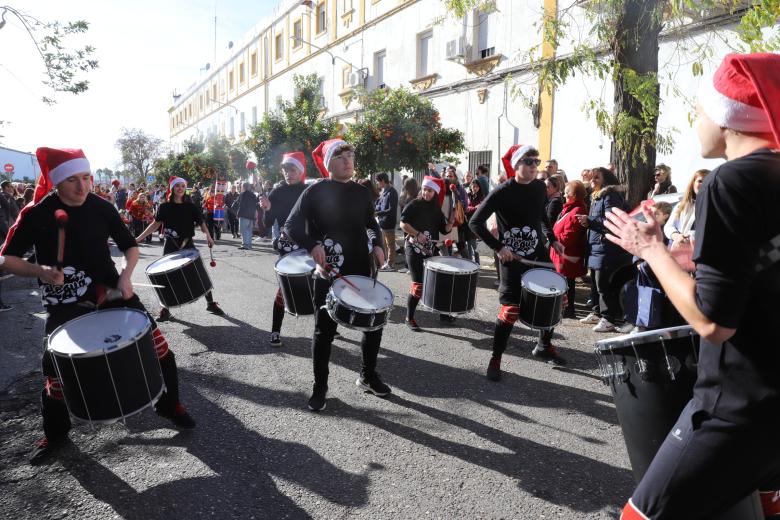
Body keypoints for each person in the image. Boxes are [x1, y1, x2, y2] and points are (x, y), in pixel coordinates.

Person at [607, 53, 780, 520]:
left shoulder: (731, 182)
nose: (697, 121)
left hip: (737, 409)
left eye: (702, 110)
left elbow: (712, 322)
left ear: (728, 119)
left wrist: (652, 250)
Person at [1, 148, 196, 465]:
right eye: (73, 180)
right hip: (65, 303)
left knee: (162, 351)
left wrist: (127, 275)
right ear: (56, 183)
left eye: (86, 178)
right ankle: (56, 434)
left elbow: (130, 246)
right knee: (55, 376)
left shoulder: (102, 208)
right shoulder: (36, 213)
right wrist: (40, 271)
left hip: (113, 293)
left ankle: (170, 404)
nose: (82, 187)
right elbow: (6, 259)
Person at [285, 138, 389, 412]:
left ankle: (368, 375)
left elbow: (371, 224)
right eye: (340, 156)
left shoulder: (362, 192)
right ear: (328, 163)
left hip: (360, 268)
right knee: (324, 331)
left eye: (350, 155)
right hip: (328, 269)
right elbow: (291, 225)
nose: (347, 160)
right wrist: (312, 245)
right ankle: (320, 386)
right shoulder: (315, 191)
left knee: (373, 324)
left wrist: (378, 244)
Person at [470, 144, 568, 381]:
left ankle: (544, 346)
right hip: (511, 257)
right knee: (511, 310)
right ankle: (496, 358)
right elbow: (475, 223)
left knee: (554, 297)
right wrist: (499, 247)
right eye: (529, 161)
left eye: (537, 161)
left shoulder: (538, 188)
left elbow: (541, 215)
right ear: (516, 165)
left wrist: (553, 239)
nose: (535, 166)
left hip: (537, 254)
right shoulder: (502, 191)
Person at [136, 176, 223, 321]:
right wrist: (138, 238)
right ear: (172, 188)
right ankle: (165, 308)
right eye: (177, 186)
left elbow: (201, 222)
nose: (180, 189)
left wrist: (208, 236)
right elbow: (155, 224)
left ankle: (210, 303)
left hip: (188, 244)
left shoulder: (191, 206)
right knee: (165, 277)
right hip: (170, 244)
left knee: (198, 273)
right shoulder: (164, 207)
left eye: (183, 186)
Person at [261, 152, 308, 347]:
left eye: (292, 169)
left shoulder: (309, 191)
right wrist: (266, 209)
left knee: (317, 287)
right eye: (285, 169)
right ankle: (275, 331)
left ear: (301, 170)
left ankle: (328, 327)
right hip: (287, 246)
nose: (288, 173)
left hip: (308, 244)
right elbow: (267, 224)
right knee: (284, 289)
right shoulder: (276, 192)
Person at [576, 167, 632, 332]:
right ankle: (597, 313)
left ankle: (608, 319)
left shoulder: (609, 195)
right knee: (595, 282)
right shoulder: (596, 196)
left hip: (605, 246)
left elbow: (610, 220)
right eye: (592, 178)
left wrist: (590, 220)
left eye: (596, 178)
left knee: (603, 285)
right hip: (595, 246)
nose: (592, 180)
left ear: (605, 180)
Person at [399, 175, 452, 331]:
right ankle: (409, 317)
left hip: (430, 251)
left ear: (435, 192)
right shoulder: (414, 204)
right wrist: (417, 234)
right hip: (414, 250)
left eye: (429, 190)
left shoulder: (437, 209)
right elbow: (403, 224)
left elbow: (444, 230)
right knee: (418, 286)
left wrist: (450, 222)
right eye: (424, 189)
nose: (426, 193)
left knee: (438, 282)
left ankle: (442, 313)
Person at [550, 180, 588, 319]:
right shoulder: (569, 208)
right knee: (563, 282)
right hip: (561, 253)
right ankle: (563, 308)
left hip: (567, 254)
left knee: (567, 284)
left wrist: (553, 237)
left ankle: (568, 310)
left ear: (574, 195)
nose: (564, 195)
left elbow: (569, 236)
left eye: (567, 192)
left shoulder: (578, 210)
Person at [663, 168, 709, 252]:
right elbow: (668, 226)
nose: (703, 184)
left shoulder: (717, 206)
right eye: (700, 181)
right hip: (683, 252)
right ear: (693, 183)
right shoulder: (682, 205)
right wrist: (677, 236)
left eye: (707, 181)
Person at [374, 172, 399, 272]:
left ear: (383, 181)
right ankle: (386, 263)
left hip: (388, 222)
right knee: (385, 244)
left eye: (378, 182)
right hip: (383, 222)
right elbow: (380, 204)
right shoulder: (385, 190)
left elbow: (391, 210)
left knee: (390, 245)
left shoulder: (392, 192)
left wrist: (378, 213)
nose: (377, 184)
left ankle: (391, 264)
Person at [464, 178, 486, 264]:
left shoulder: (482, 196)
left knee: (473, 244)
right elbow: (465, 208)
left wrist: (473, 208)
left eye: (476, 186)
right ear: (470, 187)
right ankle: (470, 262)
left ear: (479, 187)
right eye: (473, 186)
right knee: (469, 244)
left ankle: (477, 262)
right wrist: (474, 208)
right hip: (467, 221)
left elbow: (481, 208)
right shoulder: (468, 195)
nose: (474, 188)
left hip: (476, 222)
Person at [236, 182, 258, 250]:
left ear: (243, 187)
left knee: (243, 230)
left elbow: (241, 205)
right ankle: (249, 244)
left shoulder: (242, 194)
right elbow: (255, 205)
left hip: (244, 214)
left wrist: (238, 213)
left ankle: (245, 244)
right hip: (251, 215)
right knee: (249, 230)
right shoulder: (253, 195)